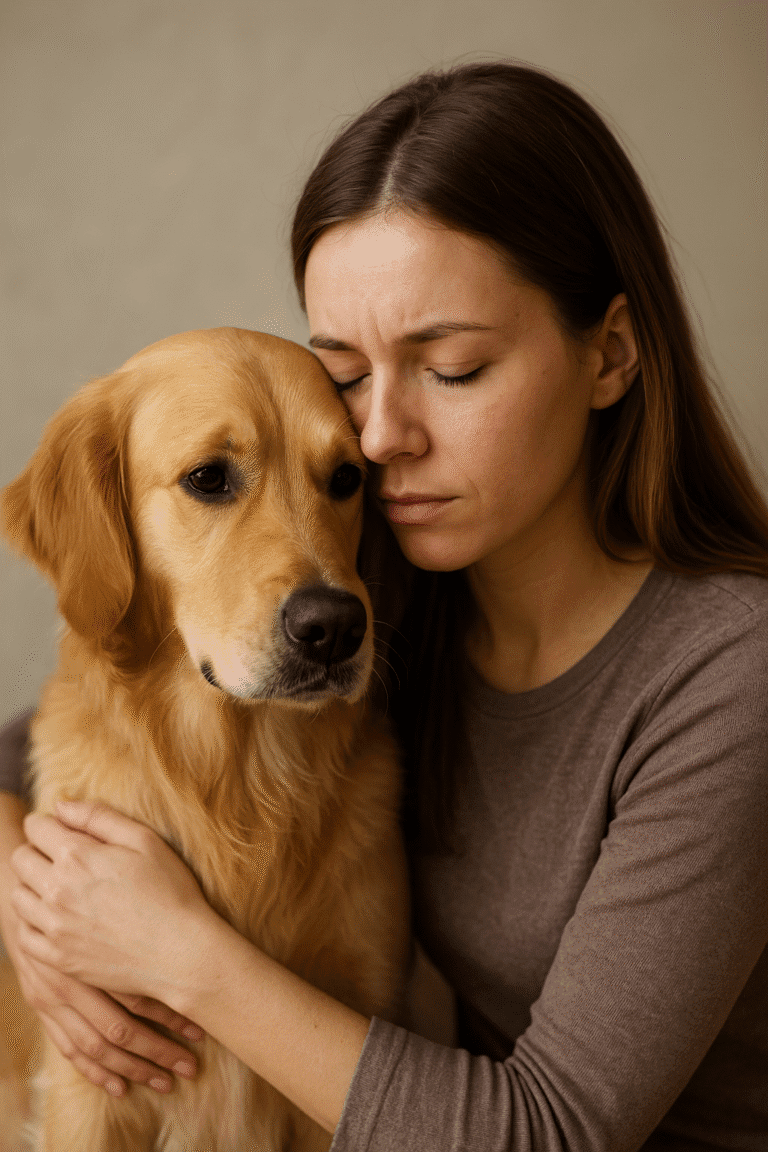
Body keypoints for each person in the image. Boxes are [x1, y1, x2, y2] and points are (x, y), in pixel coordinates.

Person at [1, 61, 767, 1151]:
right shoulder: (372, 585)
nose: (379, 437)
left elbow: (556, 1135)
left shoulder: (731, 676)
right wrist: (32, 914)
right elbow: (40, 744)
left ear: (611, 353)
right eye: (346, 375)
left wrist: (179, 955)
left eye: (451, 367)